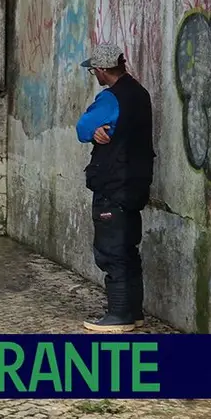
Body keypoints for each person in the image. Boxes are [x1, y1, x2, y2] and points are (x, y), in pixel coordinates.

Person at [75, 43, 155, 332]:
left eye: (93, 70)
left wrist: (94, 130)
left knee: (111, 251)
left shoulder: (111, 98)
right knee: (128, 248)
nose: (93, 74)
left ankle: (119, 315)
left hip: (113, 183)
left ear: (102, 70)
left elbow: (83, 128)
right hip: (136, 182)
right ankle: (133, 312)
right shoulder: (140, 93)